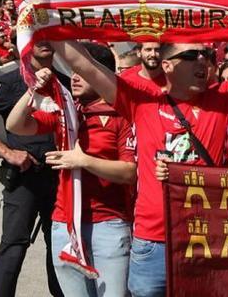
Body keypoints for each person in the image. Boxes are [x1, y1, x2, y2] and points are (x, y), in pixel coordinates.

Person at [50, 38, 228, 297]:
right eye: (191, 56)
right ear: (166, 65)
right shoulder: (141, 102)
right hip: (152, 242)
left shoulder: (223, 100)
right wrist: (47, 26)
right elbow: (85, 65)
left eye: (207, 54)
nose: (202, 61)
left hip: (203, 241)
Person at [7, 43, 136, 297]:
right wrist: (32, 89)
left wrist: (84, 161)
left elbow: (129, 172)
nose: (74, 77)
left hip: (108, 225)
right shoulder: (66, 113)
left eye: (81, 71)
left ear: (101, 74)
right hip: (63, 224)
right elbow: (16, 125)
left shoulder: (122, 114)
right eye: (72, 71)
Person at [0, 41, 65, 297]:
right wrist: (8, 152)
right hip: (25, 179)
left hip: (62, 176)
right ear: (25, 43)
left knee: (61, 246)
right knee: (14, 246)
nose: (45, 43)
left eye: (49, 36)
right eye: (36, 38)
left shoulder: (67, 80)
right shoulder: (10, 81)